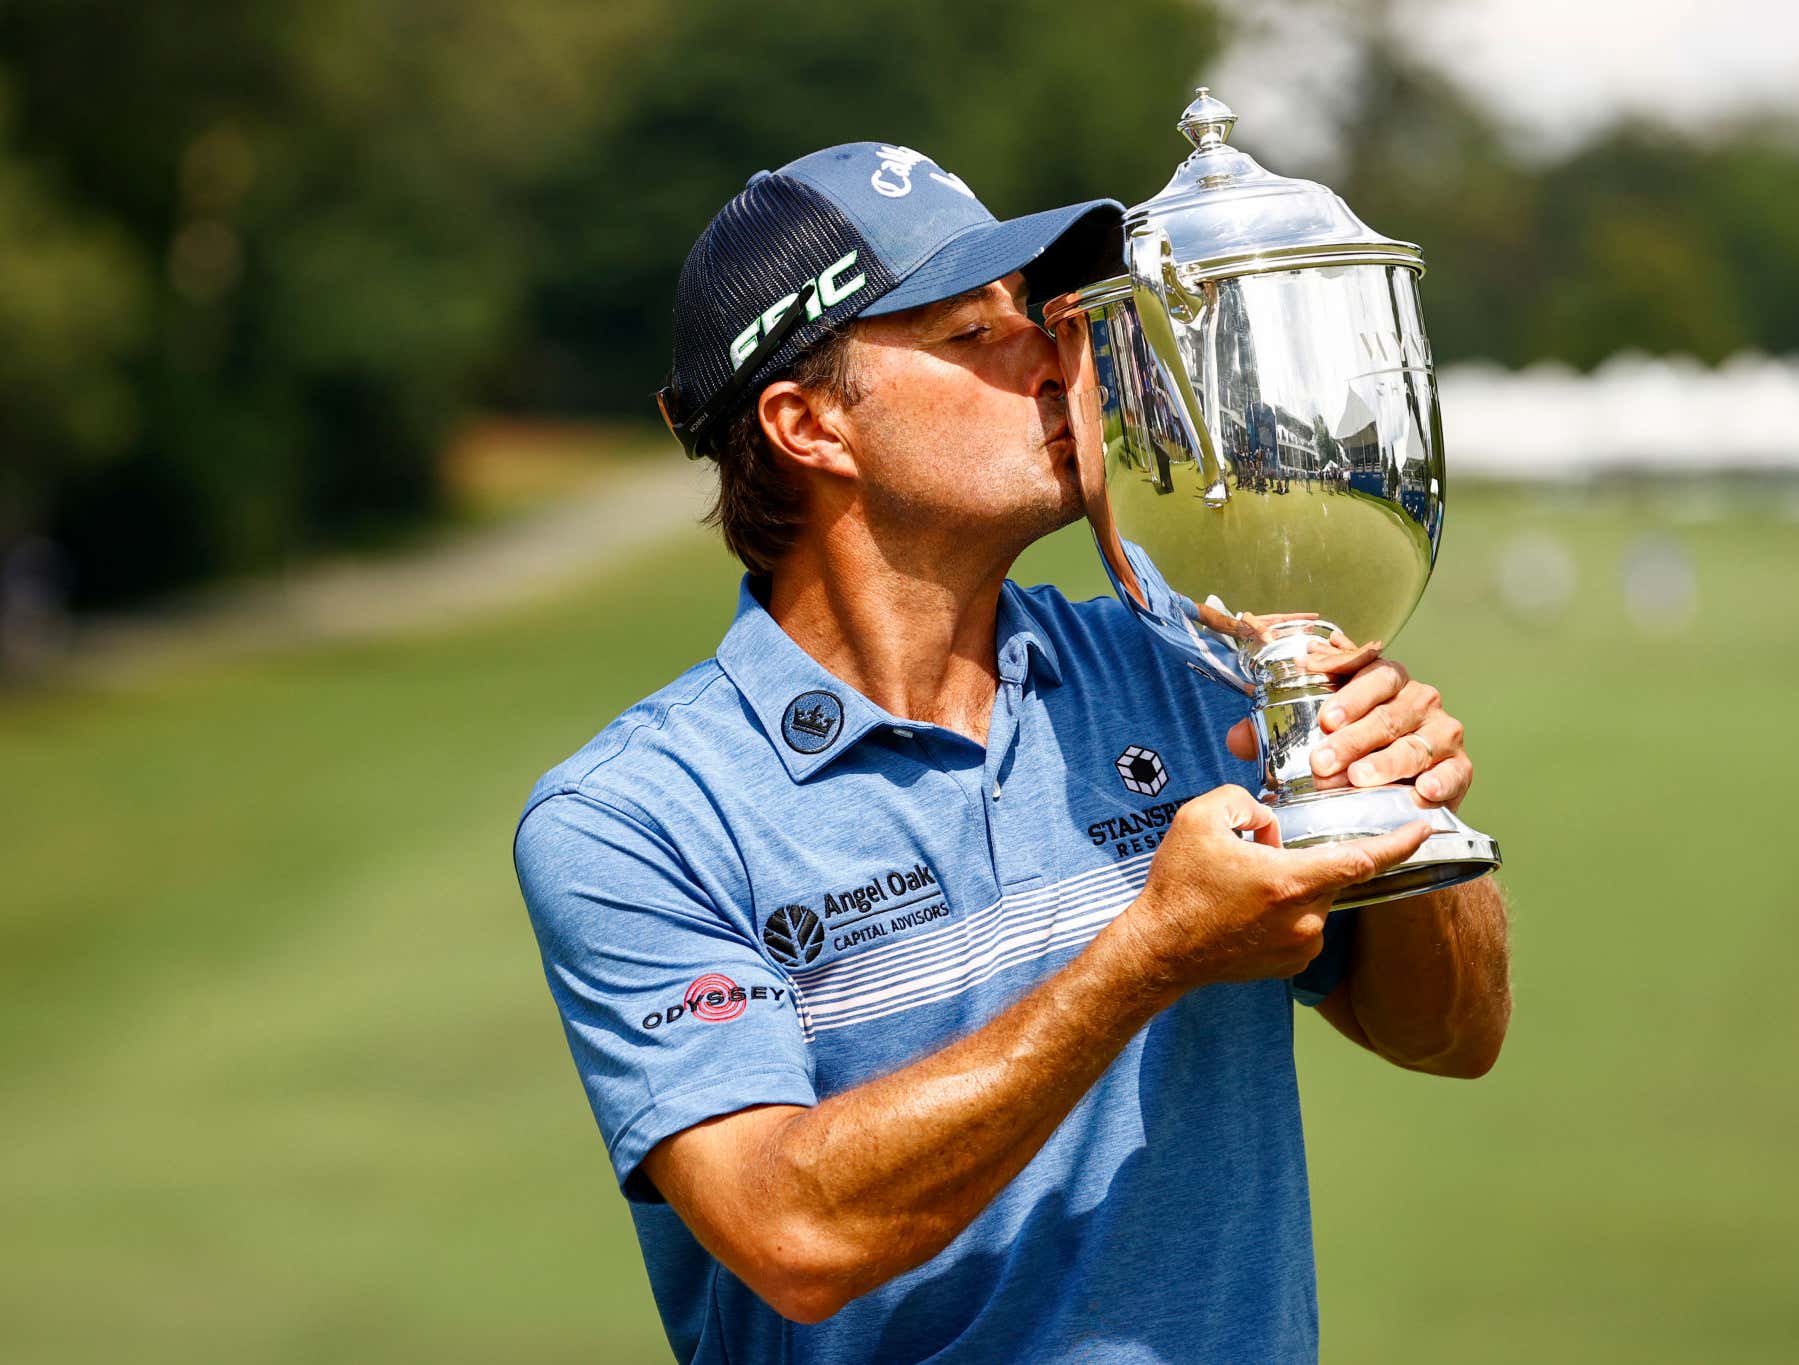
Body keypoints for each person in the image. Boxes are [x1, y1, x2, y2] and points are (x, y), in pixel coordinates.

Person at [513, 141, 1510, 1364]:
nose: (1051, 360)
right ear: (808, 422)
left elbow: (1452, 1033)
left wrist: (1388, 813)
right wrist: (1143, 957)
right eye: (969, 337)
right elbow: (790, 1233)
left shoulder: (1186, 660)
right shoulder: (634, 820)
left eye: (1031, 318)